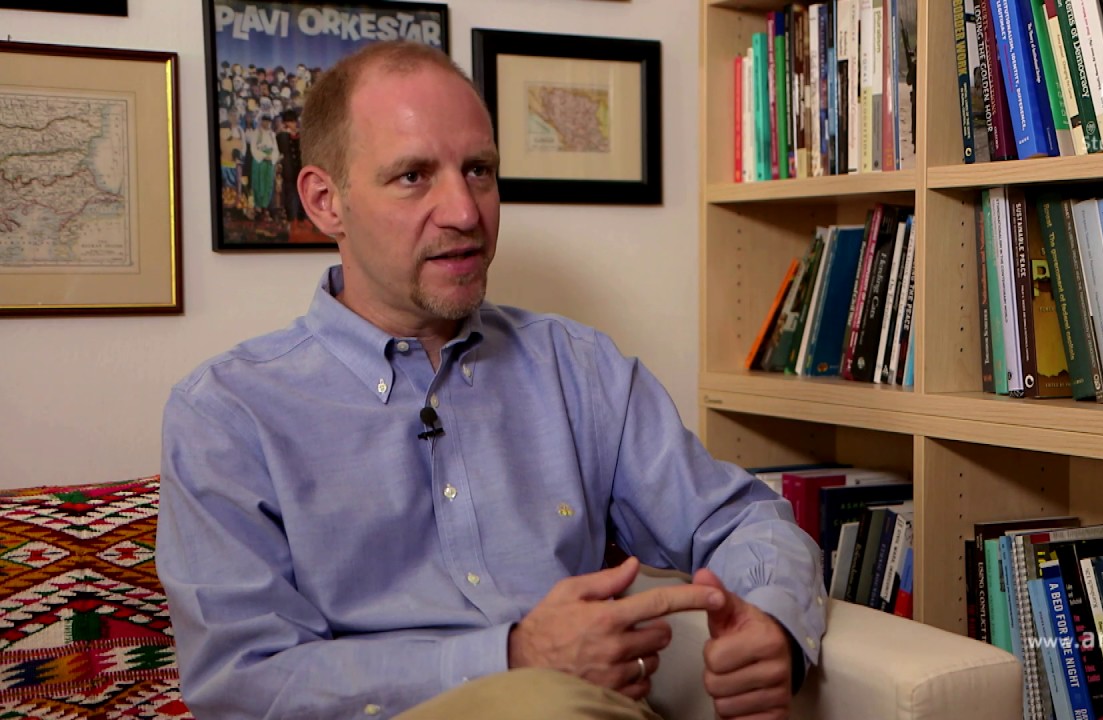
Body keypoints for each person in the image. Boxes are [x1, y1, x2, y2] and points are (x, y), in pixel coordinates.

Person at [156, 40, 825, 720]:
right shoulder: (228, 414)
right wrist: (512, 656)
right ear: (326, 202)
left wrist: (769, 620)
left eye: (479, 170)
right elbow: (242, 684)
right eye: (413, 176)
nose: (465, 212)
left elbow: (742, 518)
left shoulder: (578, 368)